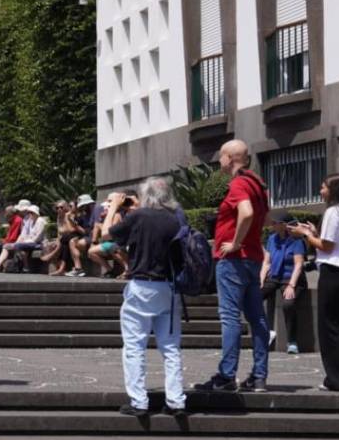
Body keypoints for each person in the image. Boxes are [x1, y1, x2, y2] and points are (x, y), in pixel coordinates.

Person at [104, 180, 187, 417]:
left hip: (142, 285)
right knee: (170, 347)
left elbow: (106, 234)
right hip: (169, 288)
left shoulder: (139, 216)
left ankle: (139, 401)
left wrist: (113, 207)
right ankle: (176, 401)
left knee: (134, 346)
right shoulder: (176, 217)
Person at [197, 139, 271, 393]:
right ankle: (259, 376)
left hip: (234, 260)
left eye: (221, 156)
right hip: (253, 259)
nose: (219, 161)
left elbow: (247, 212)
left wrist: (236, 242)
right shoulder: (258, 184)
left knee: (230, 317)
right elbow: (262, 216)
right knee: (257, 318)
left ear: (229, 157)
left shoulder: (239, 183)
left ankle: (227, 375)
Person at [293, 173, 339, 392]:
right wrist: (314, 232)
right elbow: (334, 242)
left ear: (333, 190)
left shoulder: (333, 212)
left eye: (324, 187)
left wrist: (304, 235)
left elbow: (326, 247)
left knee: (331, 328)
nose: (321, 191)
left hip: (334, 274)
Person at [260, 209, 307, 355]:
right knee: (254, 297)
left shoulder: (296, 240)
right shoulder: (271, 239)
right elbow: (266, 262)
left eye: (274, 223)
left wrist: (291, 285)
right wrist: (260, 280)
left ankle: (292, 341)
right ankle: (265, 332)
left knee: (288, 303)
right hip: (274, 276)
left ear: (283, 225)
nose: (272, 225)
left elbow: (299, 264)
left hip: (290, 277)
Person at [0, 202, 46, 273]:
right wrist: (16, 243)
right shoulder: (29, 221)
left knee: (19, 246)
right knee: (7, 246)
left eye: (31, 213)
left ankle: (25, 267)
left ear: (36, 213)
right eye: (29, 212)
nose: (29, 214)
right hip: (27, 243)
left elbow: (37, 238)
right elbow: (22, 234)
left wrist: (20, 243)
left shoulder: (40, 221)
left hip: (37, 243)